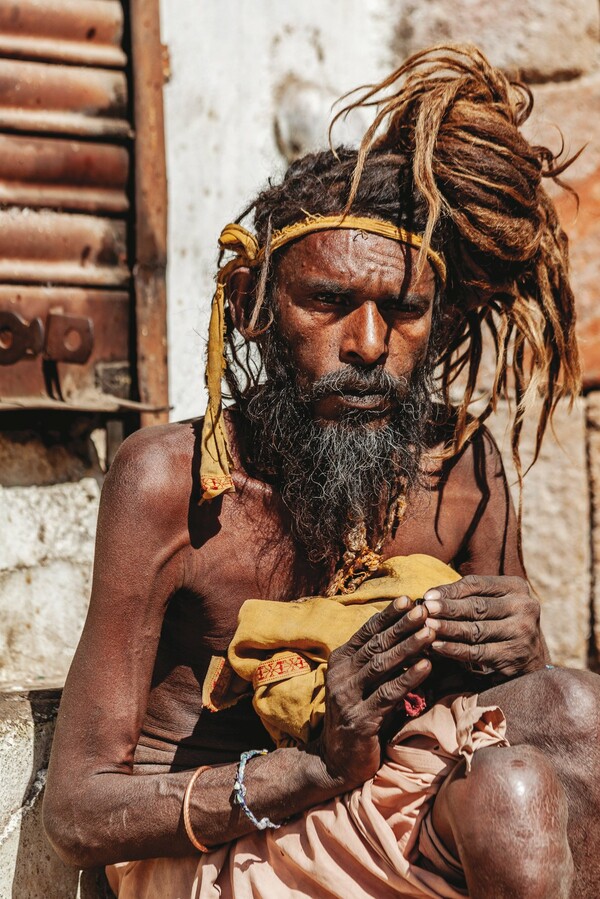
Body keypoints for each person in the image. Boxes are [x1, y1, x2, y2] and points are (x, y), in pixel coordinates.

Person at [43, 45, 600, 898]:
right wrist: (305, 764)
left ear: (435, 324)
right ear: (257, 310)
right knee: (513, 804)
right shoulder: (168, 478)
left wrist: (520, 652)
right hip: (231, 840)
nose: (370, 346)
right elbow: (77, 813)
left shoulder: (462, 469)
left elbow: (529, 732)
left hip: (395, 799)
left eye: (404, 312)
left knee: (576, 718)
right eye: (330, 302)